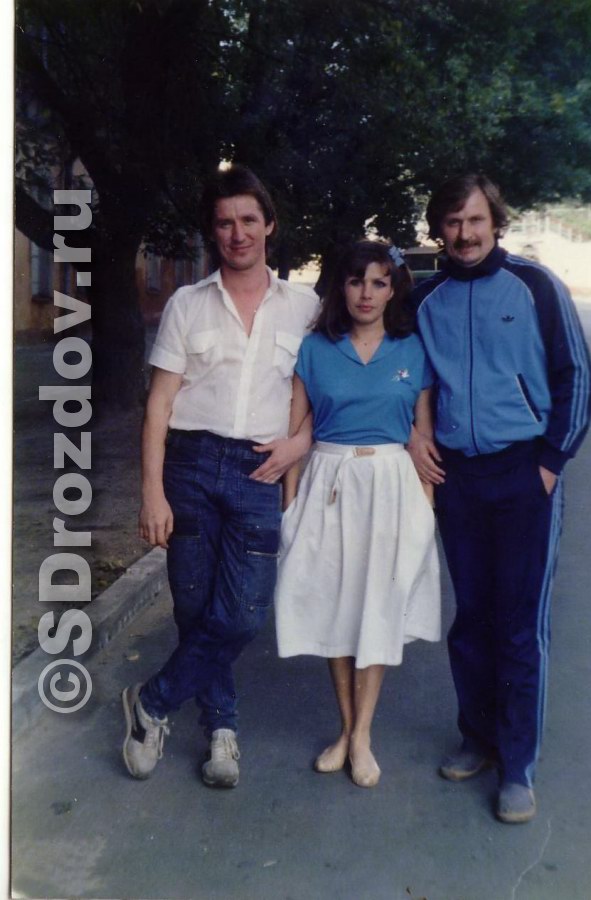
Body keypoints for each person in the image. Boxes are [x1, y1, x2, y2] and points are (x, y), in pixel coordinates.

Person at [121, 164, 320, 787]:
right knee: (194, 607)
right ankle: (221, 728)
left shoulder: (305, 308)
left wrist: (297, 446)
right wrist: (151, 492)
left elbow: (325, 396)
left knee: (243, 614)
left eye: (249, 220)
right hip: (190, 467)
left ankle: (151, 701)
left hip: (261, 469)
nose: (238, 234)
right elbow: (159, 404)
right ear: (214, 231)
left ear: (270, 226)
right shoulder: (187, 304)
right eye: (226, 223)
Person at [409, 173, 591, 823]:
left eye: (475, 220)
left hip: (523, 474)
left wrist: (549, 464)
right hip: (457, 478)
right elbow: (406, 378)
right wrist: (415, 435)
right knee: (471, 618)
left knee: (518, 624)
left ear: (495, 222)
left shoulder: (534, 285)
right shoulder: (424, 297)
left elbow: (575, 376)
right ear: (439, 228)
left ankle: (517, 765)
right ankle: (478, 738)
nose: (464, 234)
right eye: (452, 222)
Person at [275, 240, 441, 788]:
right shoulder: (314, 349)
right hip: (329, 483)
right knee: (337, 610)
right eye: (355, 281)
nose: (365, 294)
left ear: (392, 290)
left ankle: (362, 735)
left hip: (392, 487)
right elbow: (296, 433)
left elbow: (423, 436)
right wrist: (290, 511)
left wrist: (426, 512)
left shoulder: (412, 350)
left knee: (378, 610)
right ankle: (345, 730)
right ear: (340, 287)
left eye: (378, 282)